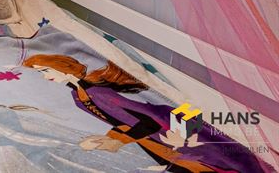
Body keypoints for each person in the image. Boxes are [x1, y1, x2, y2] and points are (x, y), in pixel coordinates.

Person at [23, 54, 270, 173]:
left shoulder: (98, 92)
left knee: (210, 158)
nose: (45, 77)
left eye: (45, 70)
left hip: (165, 126)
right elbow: (120, 120)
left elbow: (147, 120)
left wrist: (116, 141)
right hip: (150, 135)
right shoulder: (79, 96)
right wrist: (109, 138)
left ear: (63, 68)